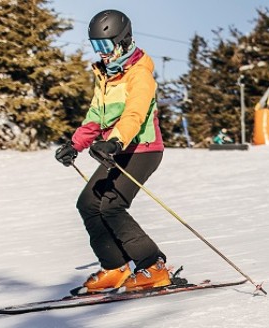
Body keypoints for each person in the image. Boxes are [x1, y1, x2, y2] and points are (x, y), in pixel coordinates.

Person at [53, 9, 172, 295]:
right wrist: (75, 144)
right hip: (117, 150)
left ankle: (153, 266)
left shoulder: (139, 74)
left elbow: (134, 113)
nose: (102, 53)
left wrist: (115, 141)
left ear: (123, 40)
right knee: (88, 204)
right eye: (96, 46)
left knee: (112, 205)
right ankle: (115, 267)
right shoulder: (106, 75)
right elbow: (96, 115)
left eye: (106, 46)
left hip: (142, 149)